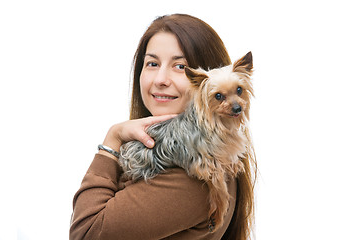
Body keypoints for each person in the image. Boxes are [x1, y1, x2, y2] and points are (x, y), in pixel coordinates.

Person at [70, 14, 257, 240]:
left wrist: (112, 140)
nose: (160, 79)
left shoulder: (191, 178)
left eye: (180, 66)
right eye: (152, 63)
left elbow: (86, 233)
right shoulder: (175, 156)